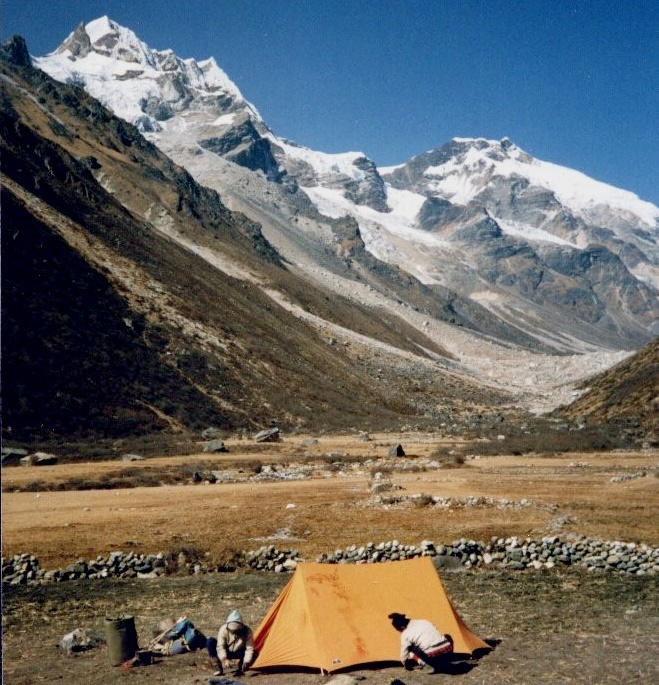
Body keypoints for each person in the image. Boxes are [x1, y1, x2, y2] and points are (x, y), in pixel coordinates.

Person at [388, 612, 453, 673]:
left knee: (411, 648)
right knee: (446, 636)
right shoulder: (424, 621)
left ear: (402, 627)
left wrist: (406, 665)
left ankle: (427, 666)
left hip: (434, 657)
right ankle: (447, 661)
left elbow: (404, 654)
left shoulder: (405, 634)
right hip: (448, 653)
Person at [207, 609, 256, 676]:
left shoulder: (247, 632)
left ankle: (242, 667)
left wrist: (247, 661)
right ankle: (217, 666)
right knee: (210, 642)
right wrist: (224, 659)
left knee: (255, 653)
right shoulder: (223, 630)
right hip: (227, 651)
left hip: (240, 651)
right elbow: (220, 646)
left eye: (236, 631)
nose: (234, 632)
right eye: (232, 631)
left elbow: (249, 648)